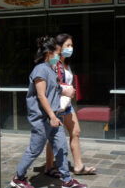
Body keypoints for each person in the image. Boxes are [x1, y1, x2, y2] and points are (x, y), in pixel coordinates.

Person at [10, 36, 87, 188]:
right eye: (57, 53)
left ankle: (66, 180)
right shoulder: (40, 70)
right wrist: (52, 116)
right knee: (35, 149)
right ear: (49, 53)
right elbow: (41, 95)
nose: (58, 57)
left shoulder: (51, 70)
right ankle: (18, 178)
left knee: (61, 148)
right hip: (42, 118)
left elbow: (54, 88)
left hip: (54, 116)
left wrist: (65, 91)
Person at [44, 34, 96, 178]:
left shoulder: (66, 64)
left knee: (76, 132)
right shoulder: (54, 63)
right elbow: (49, 85)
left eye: (72, 45)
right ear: (59, 47)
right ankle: (49, 166)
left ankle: (78, 166)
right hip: (56, 105)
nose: (71, 48)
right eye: (68, 45)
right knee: (53, 136)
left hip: (67, 104)